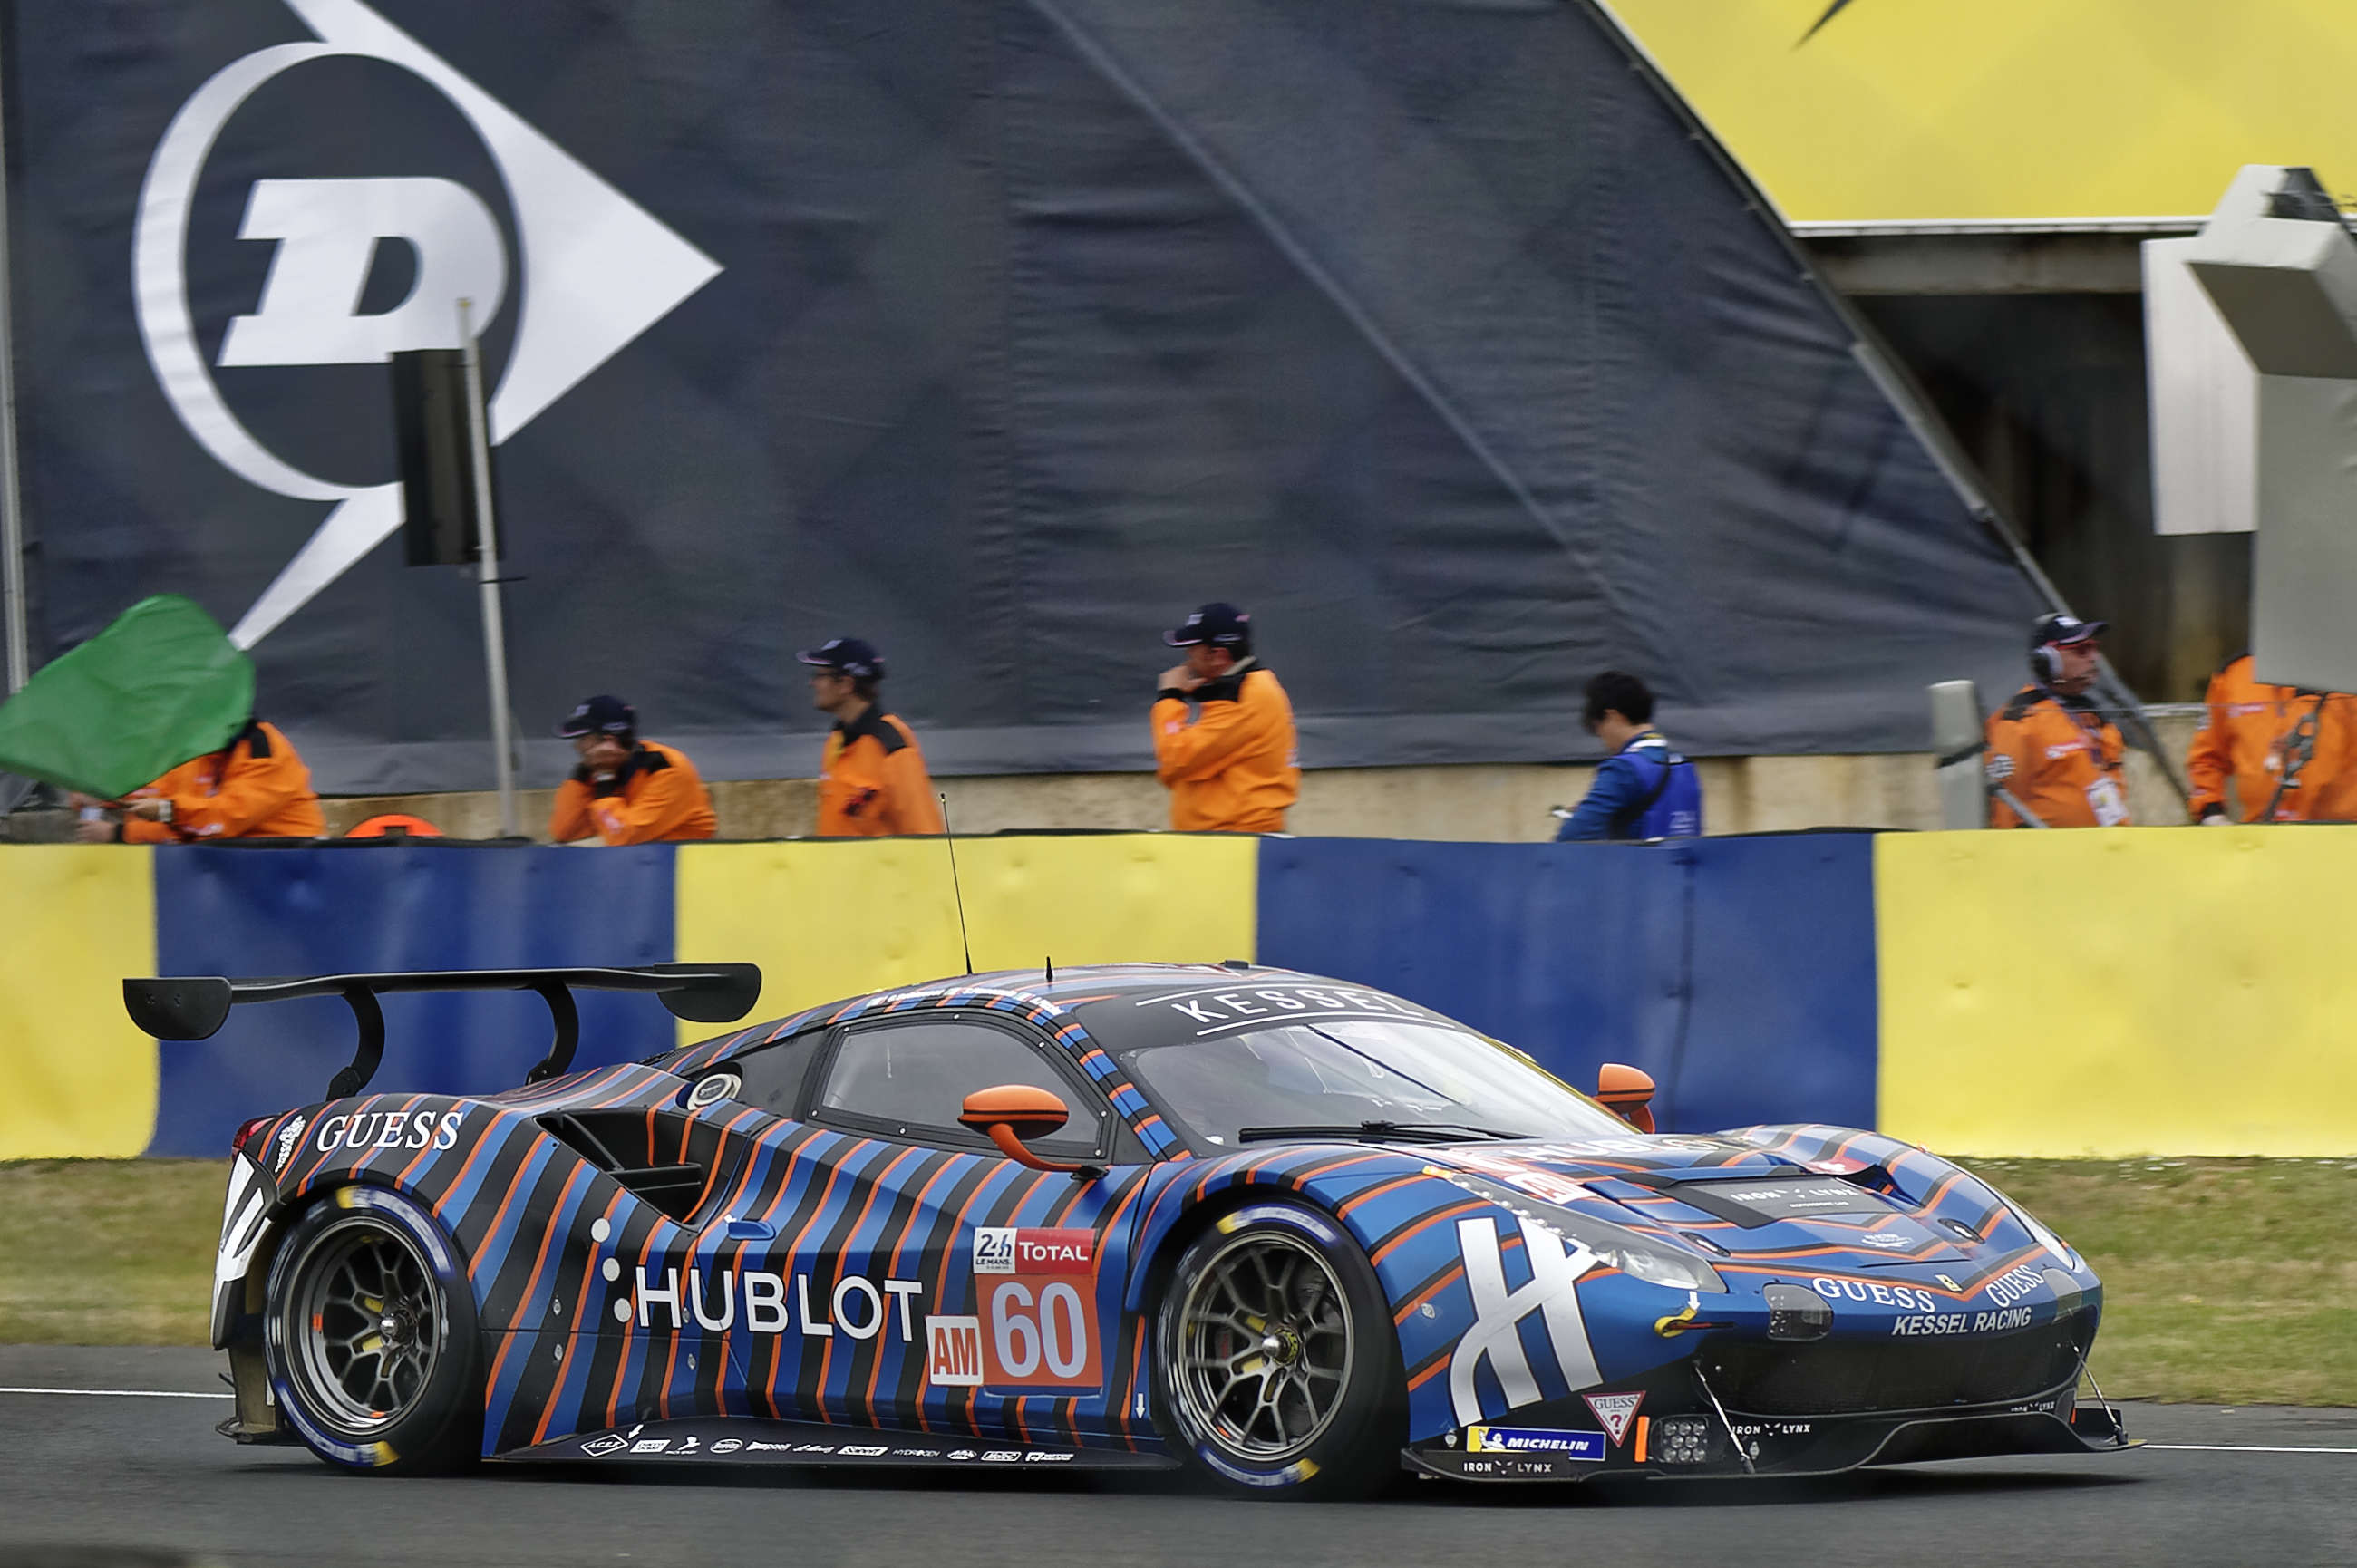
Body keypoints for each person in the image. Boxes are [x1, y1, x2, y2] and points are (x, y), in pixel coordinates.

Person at [1152, 602, 1300, 834]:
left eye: (1193, 648)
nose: (1187, 656)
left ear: (1218, 655)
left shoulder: (1242, 698)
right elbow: (1183, 768)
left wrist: (1170, 697)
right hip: (1229, 837)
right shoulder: (1248, 688)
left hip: (1235, 840)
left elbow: (1174, 761)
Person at [70, 715, 325, 843]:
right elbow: (165, 799)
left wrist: (120, 832)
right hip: (228, 868)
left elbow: (223, 819)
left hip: (288, 866)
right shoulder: (203, 748)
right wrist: (104, 795)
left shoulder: (263, 751)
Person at [1984, 614, 2130, 828]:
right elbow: (2004, 806)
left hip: (2106, 844)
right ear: (2047, 660)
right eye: (2081, 650)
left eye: (2094, 647)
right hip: (2048, 848)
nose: (2093, 657)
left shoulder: (2094, 715)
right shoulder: (2020, 720)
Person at [798, 638, 944, 837]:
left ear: (846, 684)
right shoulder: (837, 740)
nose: (812, 683)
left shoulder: (890, 744)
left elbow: (924, 833)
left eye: (819, 676)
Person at [2185, 653, 2354, 824]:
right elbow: (2207, 758)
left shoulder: (2347, 672)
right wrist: (2211, 813)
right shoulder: (2235, 674)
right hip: (2261, 832)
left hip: (2338, 832)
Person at [548, 694, 716, 845]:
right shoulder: (599, 768)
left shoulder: (666, 769)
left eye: (583, 739)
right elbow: (564, 832)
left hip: (686, 861)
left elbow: (624, 838)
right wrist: (581, 775)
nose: (577, 747)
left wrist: (605, 781)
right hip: (642, 858)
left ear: (608, 740)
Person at [1554, 671, 1702, 841]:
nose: (1601, 737)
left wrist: (1584, 816)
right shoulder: (1684, 765)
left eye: (1597, 727)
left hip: (1638, 859)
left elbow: (1571, 836)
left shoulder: (1622, 769)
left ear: (1613, 716)